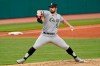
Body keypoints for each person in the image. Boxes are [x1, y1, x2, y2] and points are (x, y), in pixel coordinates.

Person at [17, 3, 84, 64]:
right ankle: (23, 59)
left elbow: (63, 21)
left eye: (52, 7)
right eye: (50, 7)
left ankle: (76, 58)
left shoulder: (59, 16)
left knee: (66, 46)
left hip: (54, 36)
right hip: (44, 36)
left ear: (56, 8)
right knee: (35, 46)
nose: (51, 8)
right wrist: (38, 14)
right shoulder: (47, 13)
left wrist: (70, 26)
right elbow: (39, 11)